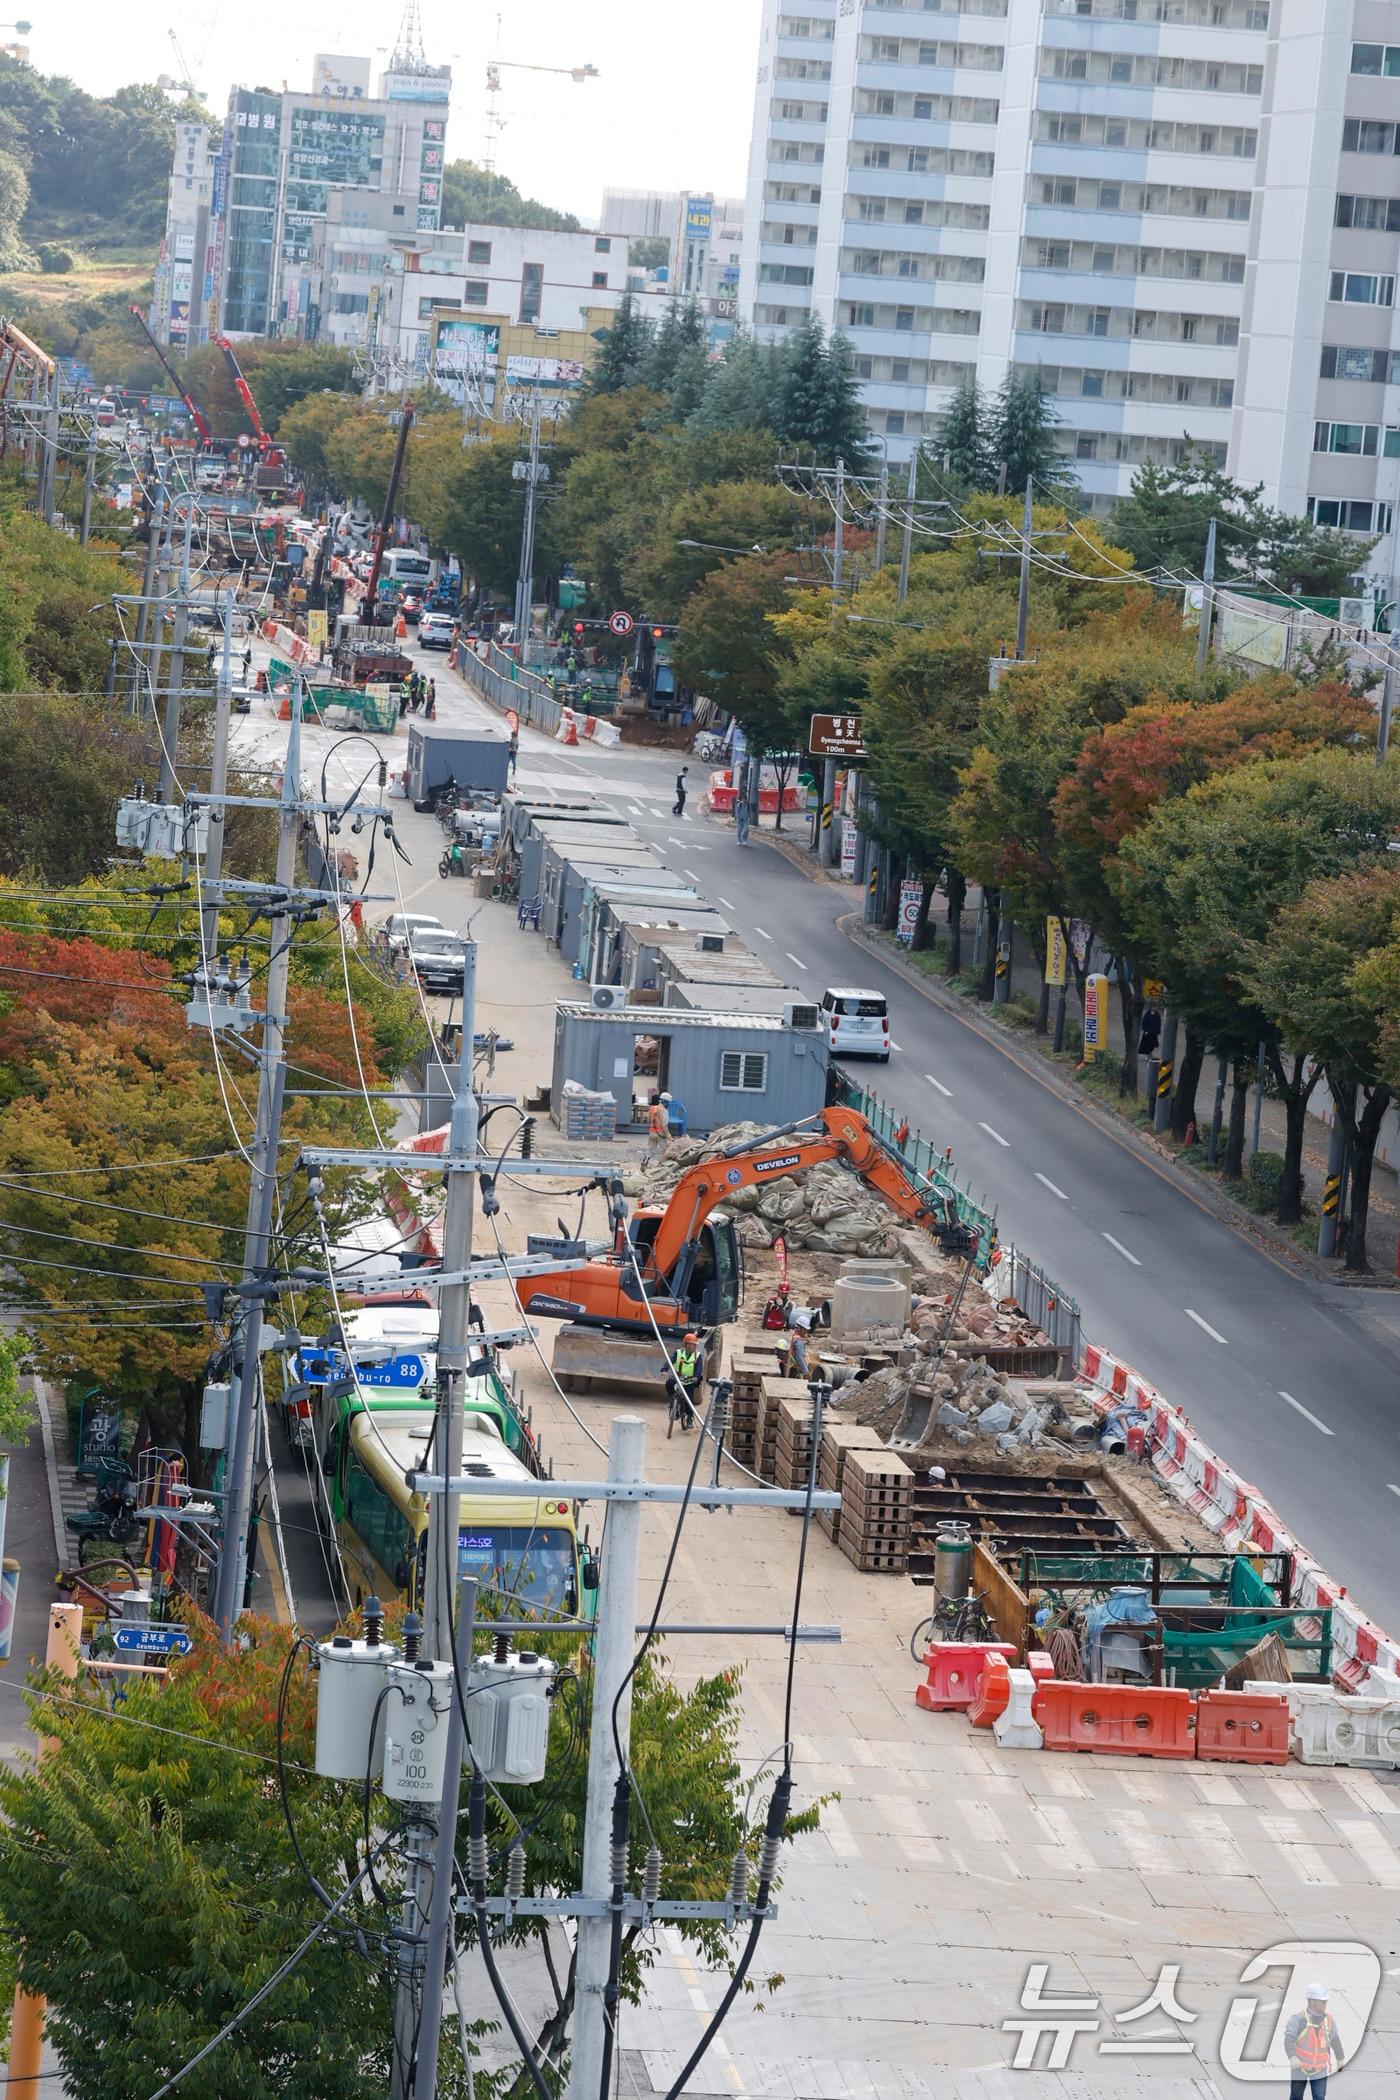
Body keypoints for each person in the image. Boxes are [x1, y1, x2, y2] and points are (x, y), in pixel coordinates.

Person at [1285, 1983, 1344, 2099]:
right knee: (1296, 2097)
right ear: (1311, 2001)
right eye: (1322, 2002)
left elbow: (1335, 2040)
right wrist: (1292, 2056)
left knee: (1319, 2097)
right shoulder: (1298, 2019)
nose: (1325, 2004)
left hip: (1320, 2068)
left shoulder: (1329, 2020)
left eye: (1325, 2001)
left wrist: (1340, 2058)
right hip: (1300, 2067)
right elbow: (1289, 2040)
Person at [669, 1331, 702, 1431]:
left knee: (689, 1399)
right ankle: (672, 1401)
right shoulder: (678, 1353)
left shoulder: (698, 1355)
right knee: (669, 1384)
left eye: (695, 1345)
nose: (694, 1347)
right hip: (678, 1377)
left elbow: (699, 1368)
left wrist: (696, 1377)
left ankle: (690, 1417)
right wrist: (664, 1368)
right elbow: (670, 1361)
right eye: (693, 1345)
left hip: (690, 1380)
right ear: (687, 1345)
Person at [643, 1089, 670, 1165]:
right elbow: (664, 1126)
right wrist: (668, 1136)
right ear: (665, 1101)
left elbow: (649, 1119)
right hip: (660, 1134)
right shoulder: (664, 1111)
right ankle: (661, 1165)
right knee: (664, 1150)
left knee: (651, 1149)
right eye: (668, 1102)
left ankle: (646, 1159)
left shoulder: (652, 1108)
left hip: (652, 1133)